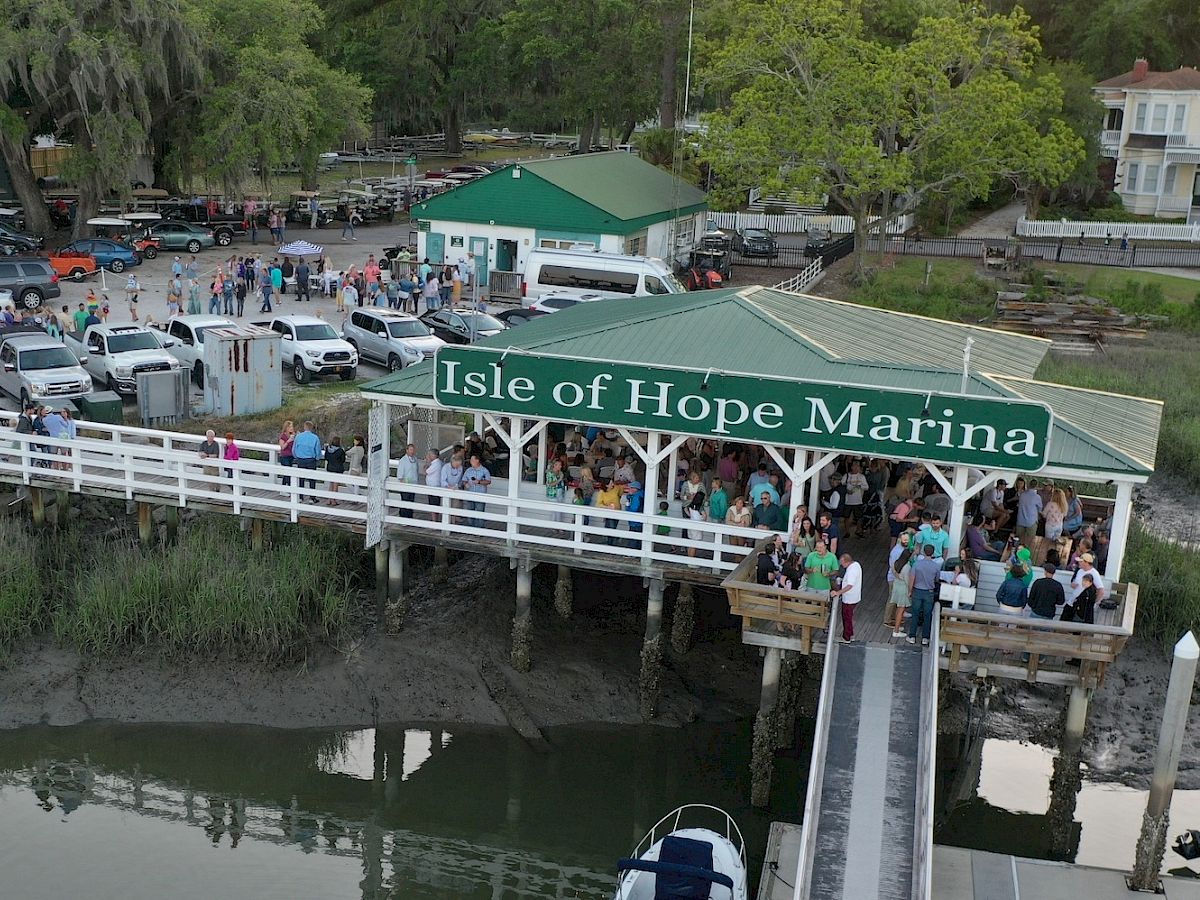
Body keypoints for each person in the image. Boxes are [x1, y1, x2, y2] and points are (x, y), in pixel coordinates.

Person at [907, 544, 942, 645]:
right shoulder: (936, 566)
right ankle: (925, 638)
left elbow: (912, 578)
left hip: (917, 591)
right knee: (927, 615)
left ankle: (912, 636)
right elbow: (937, 579)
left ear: (923, 552)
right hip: (929, 592)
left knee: (915, 614)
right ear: (933, 553)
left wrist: (910, 591)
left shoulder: (917, 564)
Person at [1064, 553, 1106, 622]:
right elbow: (1075, 582)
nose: (1079, 563)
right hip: (1073, 600)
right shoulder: (1080, 571)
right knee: (1064, 620)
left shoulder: (1094, 573)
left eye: (1081, 561)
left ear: (1086, 562)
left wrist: (1093, 602)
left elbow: (1101, 590)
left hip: (1083, 604)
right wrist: (1073, 584)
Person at [831, 552, 862, 642]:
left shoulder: (851, 571)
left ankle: (846, 637)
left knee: (846, 617)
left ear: (846, 562)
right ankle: (851, 634)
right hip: (855, 596)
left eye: (842, 563)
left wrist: (838, 592)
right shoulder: (856, 565)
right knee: (849, 616)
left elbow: (849, 585)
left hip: (850, 598)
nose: (841, 565)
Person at [291, 420, 323, 502]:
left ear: (304, 427)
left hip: (301, 459)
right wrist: (317, 458)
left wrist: (296, 456)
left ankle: (300, 497)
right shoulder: (315, 438)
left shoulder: (298, 436)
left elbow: (294, 449)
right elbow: (318, 450)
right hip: (311, 460)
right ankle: (312, 498)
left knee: (301, 479)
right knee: (312, 479)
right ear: (311, 428)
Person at [889, 535, 913, 637]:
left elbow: (894, 572)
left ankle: (897, 627)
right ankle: (896, 630)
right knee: (901, 610)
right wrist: (910, 591)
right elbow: (908, 581)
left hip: (896, 585)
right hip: (903, 588)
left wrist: (898, 576)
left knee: (898, 608)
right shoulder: (907, 567)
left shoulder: (896, 563)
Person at [462, 453, 491, 528]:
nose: (470, 461)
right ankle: (470, 527)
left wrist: (479, 482)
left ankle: (480, 528)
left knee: (480, 511)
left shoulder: (484, 471)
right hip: (470, 493)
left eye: (472, 460)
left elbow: (488, 481)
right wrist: (465, 484)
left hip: (480, 494)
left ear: (477, 460)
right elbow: (464, 480)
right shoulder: (468, 470)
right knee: (470, 510)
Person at [1014, 479, 1042, 546]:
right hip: (1031, 521)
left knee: (1018, 540)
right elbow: (1040, 508)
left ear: (1029, 485)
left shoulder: (1022, 495)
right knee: (1030, 541)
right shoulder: (1037, 497)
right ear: (1036, 486)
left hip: (1020, 520)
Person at [397, 442, 420, 517]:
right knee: (405, 500)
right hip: (405, 484)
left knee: (411, 501)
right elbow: (400, 475)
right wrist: (403, 481)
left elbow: (416, 471)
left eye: (413, 450)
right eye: (410, 450)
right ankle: (403, 516)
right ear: (407, 450)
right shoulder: (403, 460)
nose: (412, 451)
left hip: (413, 483)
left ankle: (409, 516)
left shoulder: (415, 459)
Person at [324, 435, 346, 506]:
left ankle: (329, 499)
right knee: (335, 484)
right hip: (338, 469)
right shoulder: (340, 450)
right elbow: (343, 460)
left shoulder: (328, 449)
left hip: (330, 468)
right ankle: (334, 500)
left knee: (331, 484)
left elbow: (326, 457)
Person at [423, 448, 443, 516]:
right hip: (433, 486)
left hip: (434, 487)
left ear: (433, 455)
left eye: (429, 455)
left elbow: (425, 472)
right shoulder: (436, 463)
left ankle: (434, 521)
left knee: (433, 504)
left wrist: (427, 463)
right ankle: (434, 520)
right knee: (434, 504)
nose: (428, 456)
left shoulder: (436, 464)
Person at [278, 420, 295, 486]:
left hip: (291, 456)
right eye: (290, 426)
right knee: (288, 473)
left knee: (286, 474)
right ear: (286, 428)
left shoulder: (293, 435)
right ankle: (290, 488)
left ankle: (283, 488)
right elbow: (282, 447)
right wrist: (288, 441)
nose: (292, 428)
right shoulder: (283, 436)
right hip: (284, 456)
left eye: (292, 426)